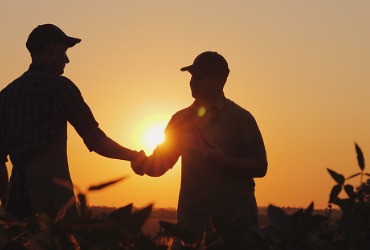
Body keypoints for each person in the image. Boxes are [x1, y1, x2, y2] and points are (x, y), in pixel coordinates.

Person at [0, 24, 144, 220]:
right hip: (55, 201)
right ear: (50, 48)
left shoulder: (6, 95)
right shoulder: (58, 86)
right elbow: (96, 141)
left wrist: (8, 209)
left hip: (17, 200)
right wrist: (136, 157)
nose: (67, 59)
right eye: (64, 50)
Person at [131, 51, 268, 243]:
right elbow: (159, 165)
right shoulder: (180, 120)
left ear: (220, 81)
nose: (193, 81)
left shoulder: (241, 118)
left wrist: (223, 161)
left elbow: (260, 167)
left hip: (235, 227)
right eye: (192, 76)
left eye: (200, 77)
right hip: (193, 226)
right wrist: (140, 163)